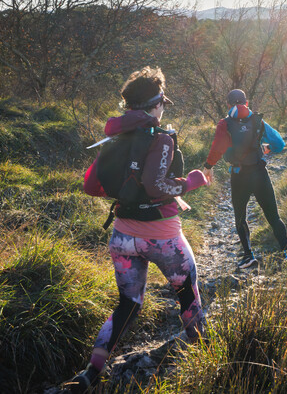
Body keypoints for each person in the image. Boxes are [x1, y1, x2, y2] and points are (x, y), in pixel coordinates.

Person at [65, 67, 209, 393]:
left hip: (122, 238)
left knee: (128, 303)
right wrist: (191, 183)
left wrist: (127, 195)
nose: (164, 110)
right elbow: (156, 183)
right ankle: (211, 360)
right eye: (163, 104)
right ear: (155, 105)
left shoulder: (114, 138)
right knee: (187, 293)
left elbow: (90, 185)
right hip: (163, 239)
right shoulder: (159, 138)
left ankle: (91, 372)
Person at [202, 89, 287, 268]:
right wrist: (266, 149)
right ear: (246, 103)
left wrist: (208, 167)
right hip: (259, 174)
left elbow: (217, 148)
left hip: (238, 176)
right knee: (273, 217)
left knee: (240, 217)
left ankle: (249, 256)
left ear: (228, 105)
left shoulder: (224, 123)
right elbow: (279, 144)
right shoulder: (258, 121)